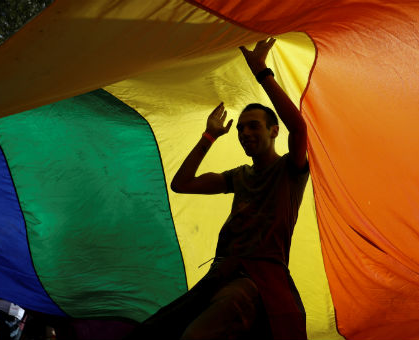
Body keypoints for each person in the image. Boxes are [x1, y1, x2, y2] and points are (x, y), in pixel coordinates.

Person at [126, 37, 309, 340]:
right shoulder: (238, 176)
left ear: (274, 131)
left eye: (254, 126)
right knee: (153, 331)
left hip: (258, 280)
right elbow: (182, 184)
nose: (244, 133)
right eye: (240, 128)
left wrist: (262, 72)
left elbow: (300, 128)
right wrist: (209, 136)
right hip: (222, 274)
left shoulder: (290, 170)